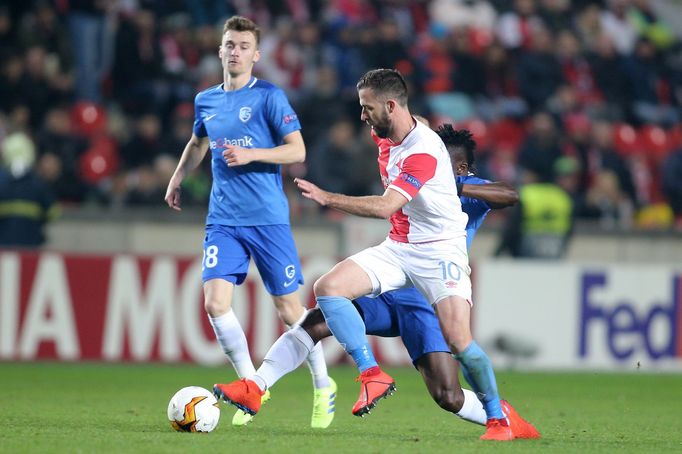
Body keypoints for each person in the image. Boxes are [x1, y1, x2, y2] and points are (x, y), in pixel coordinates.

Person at [215, 125, 540, 439]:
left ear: (461, 167)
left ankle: (505, 418)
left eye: (444, 161)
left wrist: (454, 185)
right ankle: (255, 387)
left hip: (427, 298)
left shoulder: (464, 187)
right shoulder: (414, 167)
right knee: (318, 318)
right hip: (392, 283)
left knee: (448, 395)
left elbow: (509, 195)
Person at [164, 16, 336, 429]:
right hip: (223, 219)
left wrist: (254, 154)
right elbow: (197, 141)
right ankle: (250, 386)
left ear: (256, 55)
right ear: (220, 50)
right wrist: (177, 178)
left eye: (244, 45)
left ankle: (323, 383)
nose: (235, 51)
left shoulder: (270, 98)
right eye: (229, 44)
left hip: (268, 220)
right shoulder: (206, 99)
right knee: (214, 303)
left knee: (289, 309)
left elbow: (296, 151)